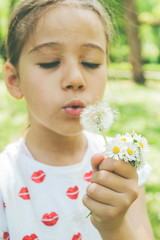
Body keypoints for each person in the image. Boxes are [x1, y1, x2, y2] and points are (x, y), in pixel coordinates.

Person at [0, 0, 155, 239]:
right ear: (14, 80)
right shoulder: (5, 181)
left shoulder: (122, 163)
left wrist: (114, 227)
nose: (75, 78)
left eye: (90, 62)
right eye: (49, 62)